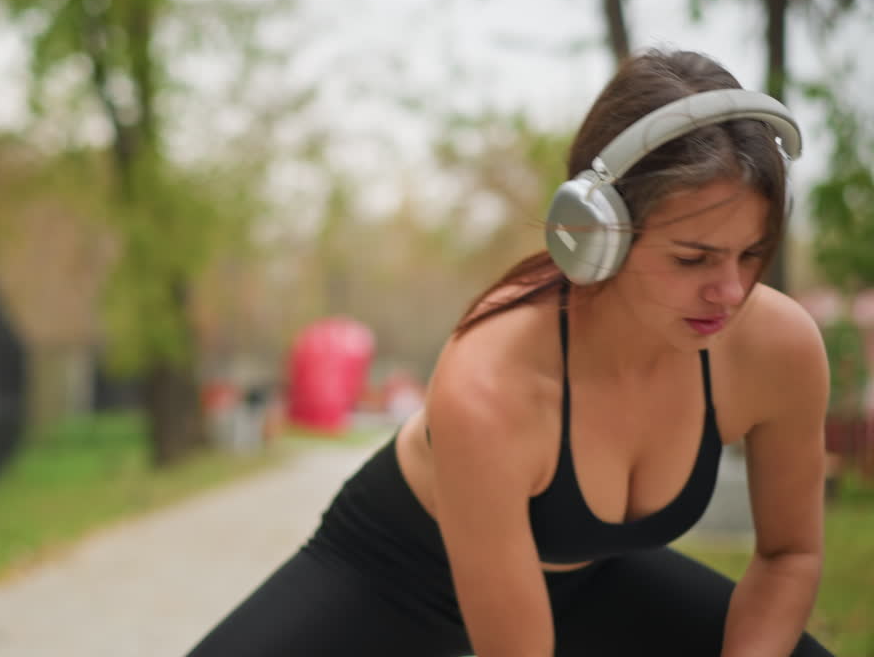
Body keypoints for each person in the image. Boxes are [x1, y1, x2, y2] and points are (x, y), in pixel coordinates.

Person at [185, 49, 834, 656]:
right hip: (392, 571)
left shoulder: (776, 349)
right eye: (693, 259)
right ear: (595, 235)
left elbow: (789, 557)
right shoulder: (490, 384)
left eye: (751, 254)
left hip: (591, 580)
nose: (731, 291)